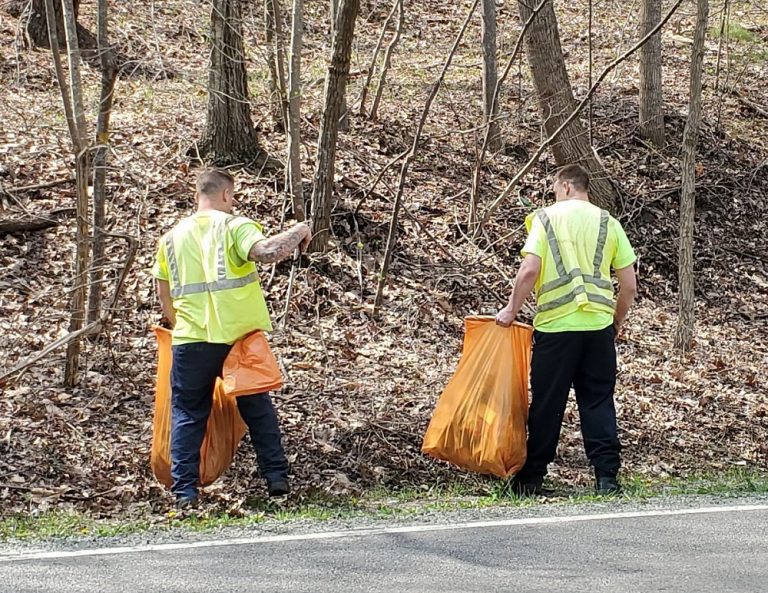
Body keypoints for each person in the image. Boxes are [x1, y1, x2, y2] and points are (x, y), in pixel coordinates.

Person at [152, 169, 311, 507]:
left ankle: (185, 493)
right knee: (257, 408)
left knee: (188, 413)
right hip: (239, 339)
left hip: (191, 337)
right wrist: (300, 230)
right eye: (233, 196)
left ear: (198, 194)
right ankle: (276, 480)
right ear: (226, 194)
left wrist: (181, 323)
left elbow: (163, 294)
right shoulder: (234, 226)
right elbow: (267, 252)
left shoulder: (171, 238)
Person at [496, 164, 638, 495]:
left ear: (566, 187)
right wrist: (615, 322)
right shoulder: (608, 223)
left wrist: (511, 309)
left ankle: (531, 479)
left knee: (547, 402)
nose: (554, 196)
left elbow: (530, 269)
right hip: (599, 329)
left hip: (556, 329)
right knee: (598, 400)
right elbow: (629, 286)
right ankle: (606, 478)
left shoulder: (546, 218)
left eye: (555, 189)